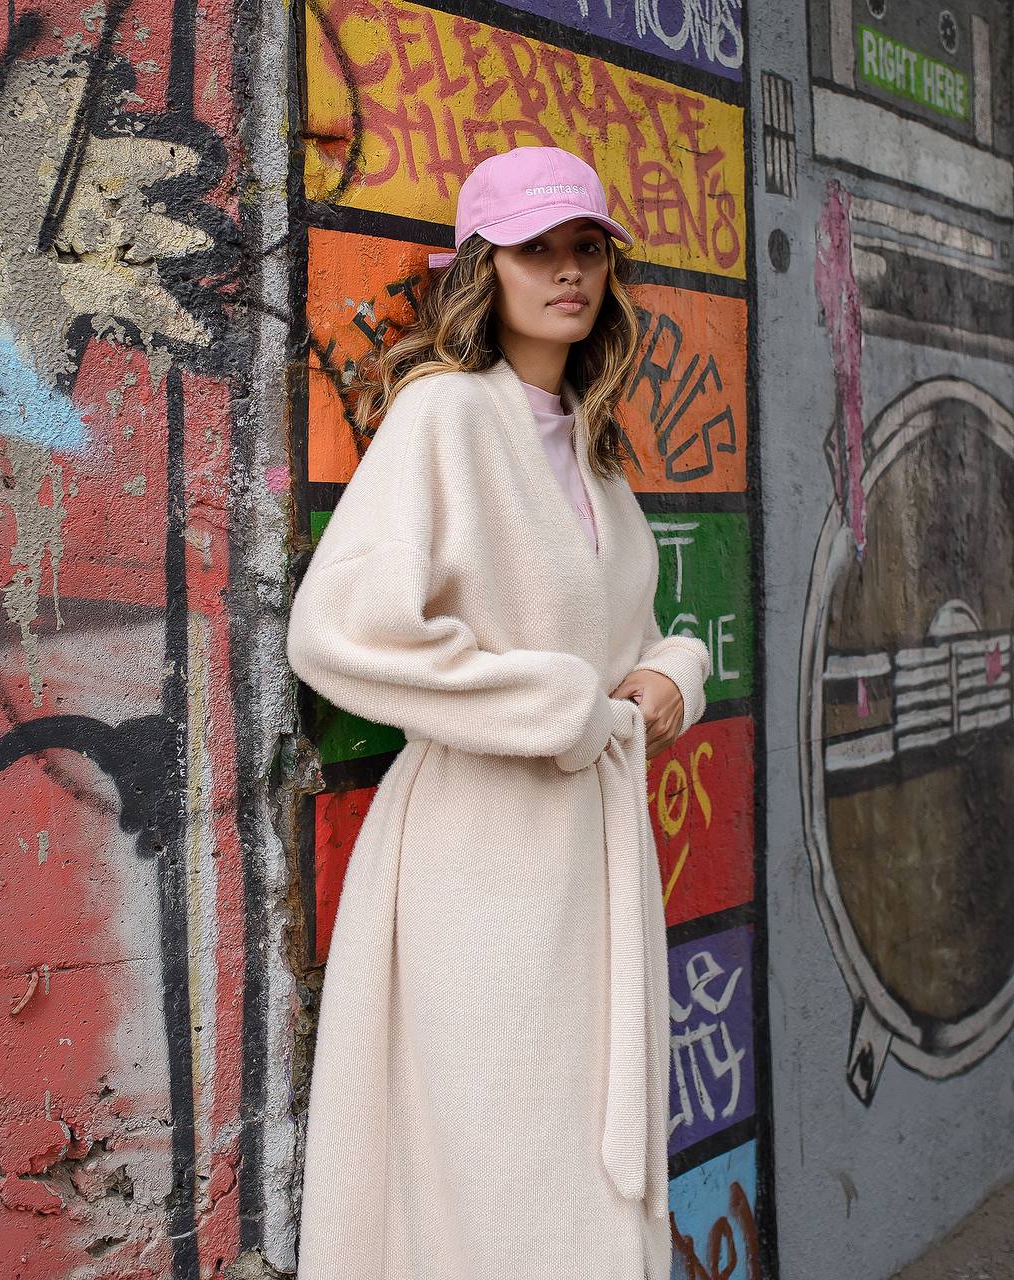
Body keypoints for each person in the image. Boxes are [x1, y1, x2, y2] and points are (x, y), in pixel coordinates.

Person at [286, 144, 712, 1280]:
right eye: (537, 249)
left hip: (587, 864)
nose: (567, 273)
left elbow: (626, 634)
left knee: (569, 1167)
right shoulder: (446, 419)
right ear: (486, 268)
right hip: (477, 862)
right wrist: (552, 705)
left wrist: (676, 668)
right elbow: (338, 631)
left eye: (587, 249)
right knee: (494, 1171)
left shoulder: (597, 449)